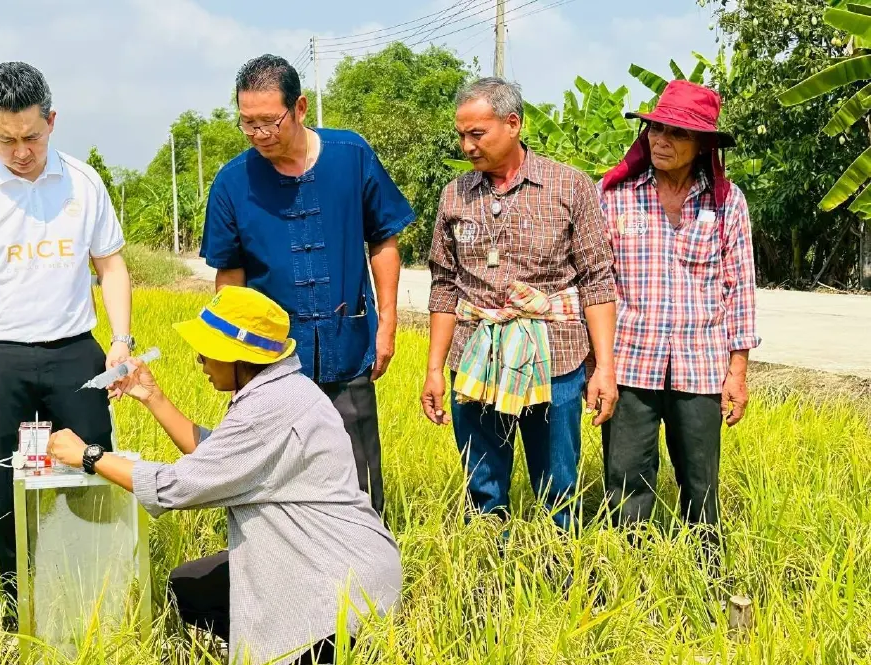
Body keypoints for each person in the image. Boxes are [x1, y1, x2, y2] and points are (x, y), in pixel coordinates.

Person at [46, 285, 402, 665]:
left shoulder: (267, 409)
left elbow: (176, 487)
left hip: (334, 585)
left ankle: (298, 655)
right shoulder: (284, 389)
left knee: (280, 645)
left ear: (240, 356)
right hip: (335, 559)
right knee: (190, 586)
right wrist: (153, 397)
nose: (200, 359)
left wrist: (90, 457)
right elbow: (215, 455)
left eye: (209, 349)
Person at [0, 61, 134, 617]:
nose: (20, 151)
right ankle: (19, 602)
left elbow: (110, 266)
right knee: (10, 486)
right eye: (6, 139)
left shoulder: (84, 183)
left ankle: (95, 595)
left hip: (74, 355)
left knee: (91, 470)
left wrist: (121, 340)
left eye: (32, 137)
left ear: (52, 121)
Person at [200, 54, 416, 515]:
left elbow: (383, 240)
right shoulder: (232, 182)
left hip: (348, 344)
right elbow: (230, 277)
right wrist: (226, 351)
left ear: (299, 108)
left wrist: (388, 325)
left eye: (268, 122)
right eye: (247, 124)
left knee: (359, 478)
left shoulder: (351, 156)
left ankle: (365, 570)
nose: (259, 135)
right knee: (274, 478)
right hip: (268, 361)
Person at [421, 77, 619, 531]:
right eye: (461, 134)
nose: (467, 145)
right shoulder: (455, 195)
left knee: (558, 484)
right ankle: (488, 569)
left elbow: (596, 279)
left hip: (555, 358)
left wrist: (604, 368)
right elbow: (444, 284)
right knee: (482, 483)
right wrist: (434, 369)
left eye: (477, 134)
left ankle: (556, 572)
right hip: (475, 356)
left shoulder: (569, 186)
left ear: (513, 124)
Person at [597, 80, 760, 539]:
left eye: (677, 133)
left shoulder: (727, 203)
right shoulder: (615, 196)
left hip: (702, 367)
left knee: (701, 486)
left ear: (703, 144)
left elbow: (740, 288)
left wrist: (738, 372)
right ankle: (627, 577)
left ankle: (706, 578)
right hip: (631, 364)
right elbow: (598, 284)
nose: (661, 140)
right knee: (626, 483)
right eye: (655, 129)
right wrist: (599, 365)